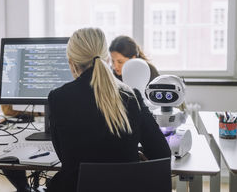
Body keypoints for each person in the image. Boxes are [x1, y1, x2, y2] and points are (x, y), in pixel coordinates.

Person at [47, 28, 171, 192]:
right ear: (106, 58)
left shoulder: (58, 98)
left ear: (71, 62)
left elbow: (66, 158)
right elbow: (162, 153)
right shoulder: (131, 97)